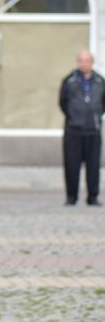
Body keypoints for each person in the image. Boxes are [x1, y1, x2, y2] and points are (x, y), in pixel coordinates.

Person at [58, 49, 103, 206]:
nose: (84, 64)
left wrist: (96, 116)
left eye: (87, 61)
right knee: (71, 165)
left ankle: (93, 197)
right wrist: (72, 117)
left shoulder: (100, 81)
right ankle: (71, 197)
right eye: (81, 61)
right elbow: (62, 102)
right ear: (78, 62)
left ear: (92, 62)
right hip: (73, 129)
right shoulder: (69, 81)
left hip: (93, 129)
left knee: (93, 165)